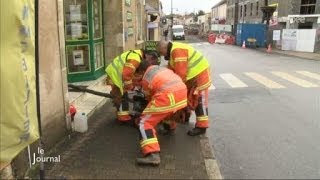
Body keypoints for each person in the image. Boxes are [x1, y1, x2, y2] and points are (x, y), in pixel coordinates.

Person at [135, 62, 187, 165]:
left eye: (137, 75)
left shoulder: (146, 77)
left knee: (144, 122)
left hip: (167, 95)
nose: (137, 78)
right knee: (167, 111)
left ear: (141, 71)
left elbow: (149, 99)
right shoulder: (159, 68)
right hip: (182, 92)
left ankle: (153, 155)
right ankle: (169, 127)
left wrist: (144, 112)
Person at [156, 40, 212, 136]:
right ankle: (184, 116)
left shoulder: (176, 51)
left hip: (199, 75)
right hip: (192, 77)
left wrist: (174, 88)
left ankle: (202, 127)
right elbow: (171, 71)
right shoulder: (172, 52)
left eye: (161, 53)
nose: (162, 56)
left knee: (199, 101)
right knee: (186, 98)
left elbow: (181, 74)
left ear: (165, 48)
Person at [105, 49, 159, 124]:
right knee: (121, 95)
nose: (149, 64)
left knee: (124, 94)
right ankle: (123, 118)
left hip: (118, 74)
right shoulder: (135, 59)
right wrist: (131, 87)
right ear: (149, 57)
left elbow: (130, 74)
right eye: (151, 62)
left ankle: (123, 114)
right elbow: (126, 75)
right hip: (115, 75)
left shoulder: (137, 56)